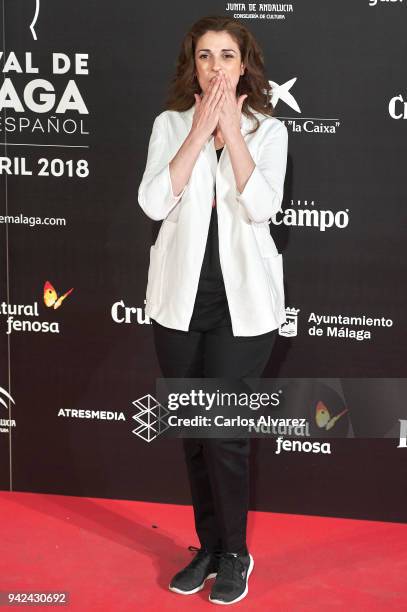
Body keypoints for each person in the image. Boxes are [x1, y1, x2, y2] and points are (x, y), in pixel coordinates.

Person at [138, 15, 288, 605]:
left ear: (243, 63)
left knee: (224, 433)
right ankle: (206, 545)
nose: (217, 66)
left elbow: (261, 209)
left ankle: (235, 554)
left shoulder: (268, 131)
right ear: (192, 66)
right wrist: (199, 132)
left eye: (228, 55)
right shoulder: (169, 124)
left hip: (242, 306)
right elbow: (153, 202)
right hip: (178, 304)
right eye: (205, 55)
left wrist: (233, 130)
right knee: (194, 434)